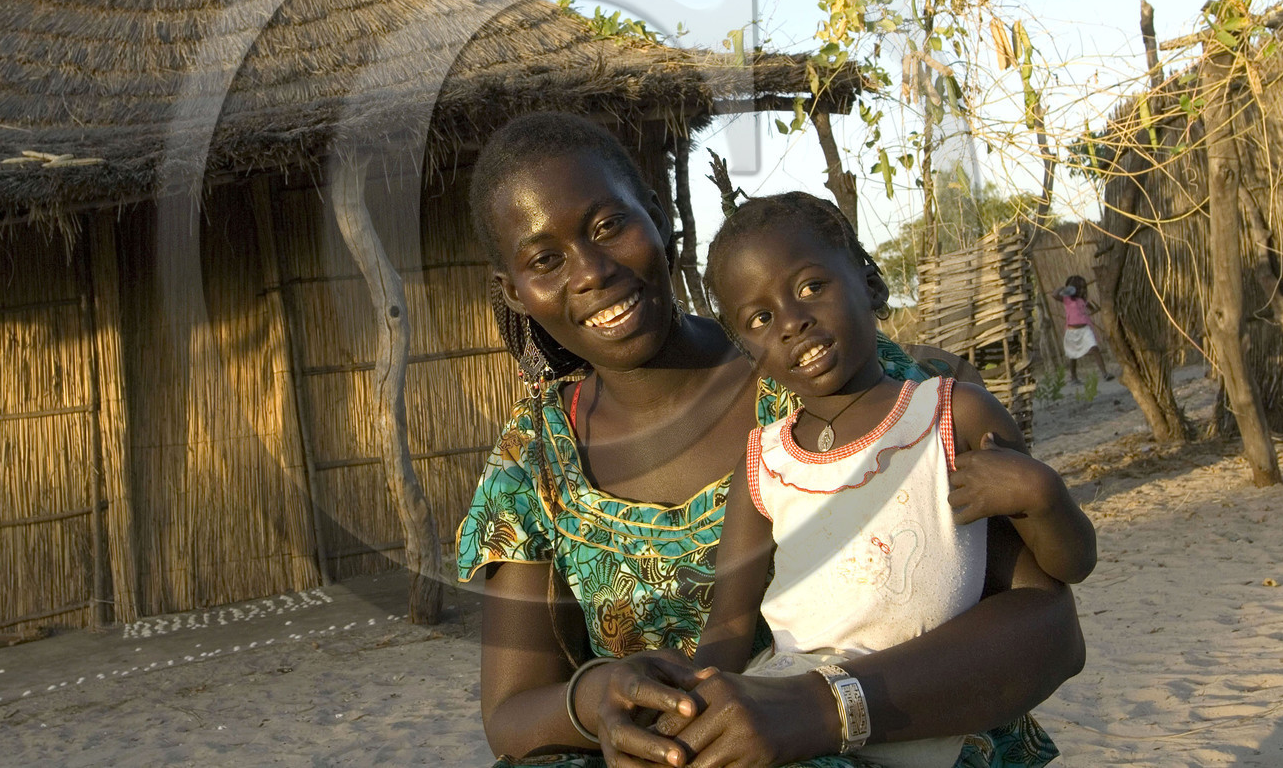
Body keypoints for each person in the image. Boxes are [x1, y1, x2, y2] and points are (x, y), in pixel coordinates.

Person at [455, 112, 1084, 768]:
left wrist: (823, 708)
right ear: (515, 293)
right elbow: (511, 714)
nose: (591, 271)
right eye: (546, 260)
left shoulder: (822, 374)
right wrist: (597, 699)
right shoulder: (533, 460)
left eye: (610, 226)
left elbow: (1049, 629)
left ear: (659, 217)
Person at [694, 192, 1096, 768]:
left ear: (871, 285)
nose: (792, 322)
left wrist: (1043, 495)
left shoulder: (952, 417)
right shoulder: (764, 463)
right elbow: (730, 621)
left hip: (917, 697)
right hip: (790, 695)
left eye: (810, 287)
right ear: (748, 350)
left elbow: (1066, 570)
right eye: (760, 319)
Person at [1053, 276, 1111, 385]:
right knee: (1072, 355)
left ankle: (1105, 373)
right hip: (1072, 331)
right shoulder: (1067, 299)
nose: (1083, 290)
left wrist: (1093, 309)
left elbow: (1090, 308)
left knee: (1094, 348)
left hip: (1085, 329)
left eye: (1083, 288)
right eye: (1080, 288)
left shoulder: (1082, 300)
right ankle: (1074, 377)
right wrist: (1064, 288)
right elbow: (1054, 294)